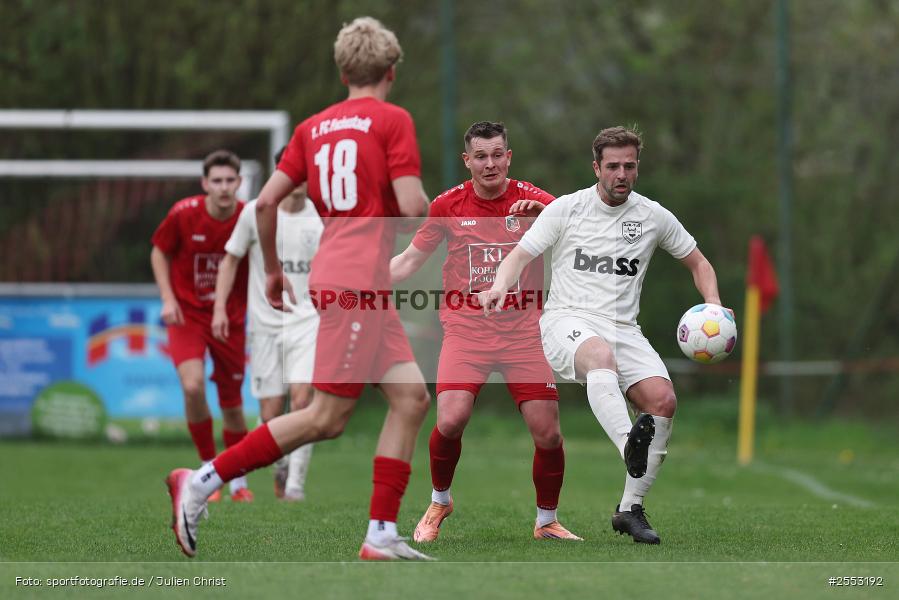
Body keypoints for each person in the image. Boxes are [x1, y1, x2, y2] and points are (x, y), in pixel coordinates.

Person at [166, 17, 432, 561]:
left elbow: (262, 202)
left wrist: (268, 271)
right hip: (357, 280)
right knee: (323, 418)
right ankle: (201, 480)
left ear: (342, 72)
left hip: (346, 277)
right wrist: (428, 217)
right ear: (391, 71)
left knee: (410, 398)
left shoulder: (313, 127)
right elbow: (411, 206)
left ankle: (381, 534)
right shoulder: (392, 119)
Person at [480, 126, 732, 544]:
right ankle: (627, 444)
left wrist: (713, 303)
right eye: (612, 166)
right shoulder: (566, 208)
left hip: (624, 329)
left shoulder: (652, 216)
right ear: (596, 167)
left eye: (628, 166)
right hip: (566, 321)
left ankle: (630, 509)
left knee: (663, 401)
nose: (621, 174)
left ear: (637, 168)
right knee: (599, 357)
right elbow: (520, 255)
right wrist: (499, 285)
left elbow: (699, 262)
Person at [390, 121, 581, 542]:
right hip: (466, 330)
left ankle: (546, 521)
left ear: (508, 156)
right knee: (452, 419)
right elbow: (407, 261)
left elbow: (581, 230)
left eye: (497, 154)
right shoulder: (447, 205)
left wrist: (549, 219)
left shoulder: (535, 201)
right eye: (481, 156)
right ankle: (440, 500)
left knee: (548, 432)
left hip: (524, 332)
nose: (490, 163)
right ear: (467, 161)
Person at [212, 147, 323, 502]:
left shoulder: (322, 217)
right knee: (271, 412)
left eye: (304, 172)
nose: (298, 181)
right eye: (291, 172)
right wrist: (219, 308)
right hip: (265, 325)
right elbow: (231, 261)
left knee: (304, 401)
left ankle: (295, 488)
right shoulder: (255, 213)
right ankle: (279, 468)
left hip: (308, 320)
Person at [150, 149, 253, 503]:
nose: (224, 188)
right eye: (217, 181)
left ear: (239, 183)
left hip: (231, 318)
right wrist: (167, 298)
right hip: (188, 315)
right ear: (205, 184)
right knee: (192, 386)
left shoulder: (249, 217)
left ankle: (238, 482)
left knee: (232, 404)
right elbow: (159, 251)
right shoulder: (183, 214)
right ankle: (209, 469)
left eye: (230, 181)